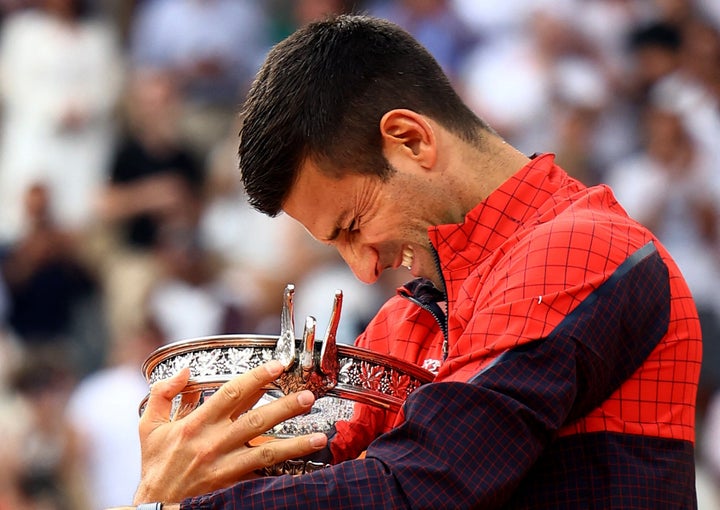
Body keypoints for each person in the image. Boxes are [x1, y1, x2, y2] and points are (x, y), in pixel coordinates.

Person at [121, 14, 702, 509]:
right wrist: (196, 465)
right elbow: (331, 483)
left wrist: (178, 503)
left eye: (353, 227)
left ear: (410, 139)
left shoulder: (587, 251)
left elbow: (421, 487)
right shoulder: (407, 318)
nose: (365, 271)